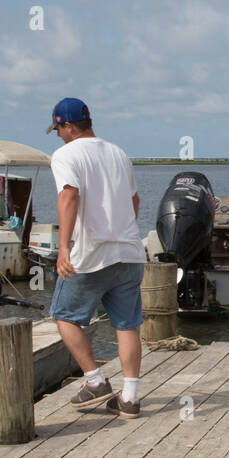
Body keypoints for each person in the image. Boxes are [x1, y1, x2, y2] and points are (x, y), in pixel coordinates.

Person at [46, 97, 146, 417]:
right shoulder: (118, 153)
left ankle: (94, 380)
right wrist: (124, 230)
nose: (58, 134)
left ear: (69, 126)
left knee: (64, 316)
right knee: (127, 325)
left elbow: (69, 195)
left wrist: (64, 248)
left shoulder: (65, 155)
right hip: (129, 253)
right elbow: (134, 200)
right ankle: (129, 399)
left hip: (91, 254)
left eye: (58, 128)